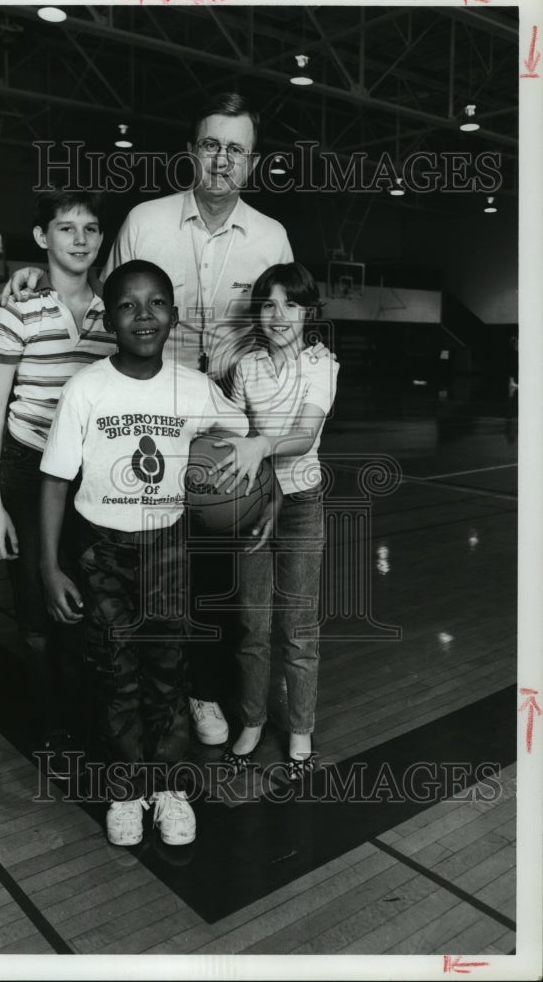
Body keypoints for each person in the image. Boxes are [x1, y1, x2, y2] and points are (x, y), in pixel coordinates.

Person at [0, 92, 298, 750]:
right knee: (141, 566)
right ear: (194, 151)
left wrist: (267, 457)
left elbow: (283, 339)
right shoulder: (144, 220)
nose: (222, 160)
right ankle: (126, 693)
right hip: (143, 408)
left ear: (251, 163)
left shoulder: (272, 238)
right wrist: (35, 276)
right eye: (212, 145)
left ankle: (201, 691)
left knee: (214, 571)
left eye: (237, 150)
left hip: (220, 420)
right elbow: (98, 295)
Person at [38, 259, 253, 846]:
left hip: (168, 548)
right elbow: (56, 480)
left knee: (167, 671)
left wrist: (265, 498)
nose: (143, 315)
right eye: (128, 306)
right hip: (99, 549)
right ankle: (128, 789)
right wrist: (49, 566)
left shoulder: (194, 385)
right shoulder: (85, 388)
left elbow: (245, 442)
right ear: (109, 319)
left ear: (174, 316)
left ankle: (169, 787)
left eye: (156, 303)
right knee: (115, 675)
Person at [0, 189, 115, 764]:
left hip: (86, 478)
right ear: (42, 238)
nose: (79, 239)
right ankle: (52, 722)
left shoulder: (115, 314)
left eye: (89, 229)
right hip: (27, 467)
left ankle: (86, 714)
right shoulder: (19, 308)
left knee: (82, 601)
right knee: (36, 605)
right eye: (65, 228)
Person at [213, 263, 339, 780]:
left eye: (291, 303)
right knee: (252, 626)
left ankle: (301, 726)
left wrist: (262, 444)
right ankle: (251, 721)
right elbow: (231, 432)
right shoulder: (246, 368)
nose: (279, 314)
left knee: (299, 627)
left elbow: (304, 437)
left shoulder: (321, 365)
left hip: (301, 504)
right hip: (254, 507)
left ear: (309, 312)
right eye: (269, 303)